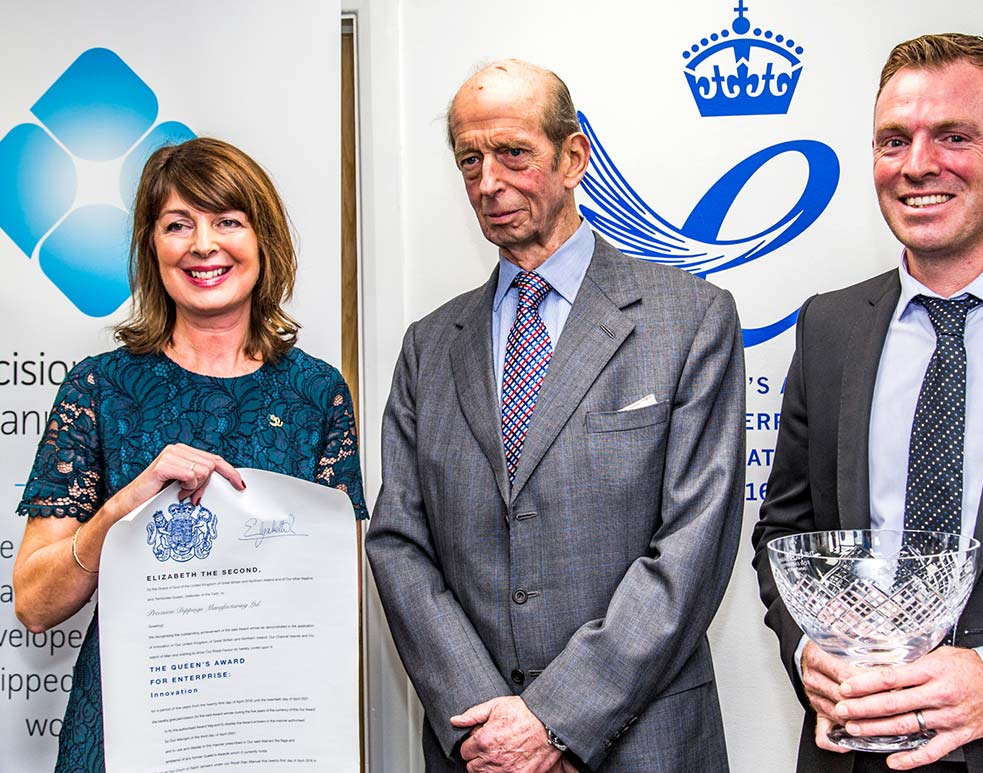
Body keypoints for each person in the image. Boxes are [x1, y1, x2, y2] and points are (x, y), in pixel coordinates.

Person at [365, 59, 745, 771]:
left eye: (512, 153)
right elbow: (399, 545)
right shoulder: (428, 346)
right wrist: (489, 721)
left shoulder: (690, 319)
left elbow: (693, 547)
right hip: (478, 752)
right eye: (469, 161)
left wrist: (556, 719)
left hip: (644, 744)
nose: (487, 183)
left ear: (574, 156)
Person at [752, 33, 983, 773]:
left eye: (954, 137)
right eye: (893, 139)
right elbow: (786, 532)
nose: (916, 166)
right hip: (856, 751)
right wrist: (812, 651)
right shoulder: (831, 325)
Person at [13, 137, 367, 773]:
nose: (204, 245)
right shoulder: (101, 388)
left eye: (228, 221)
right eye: (179, 225)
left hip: (274, 733)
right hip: (128, 733)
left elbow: (336, 595)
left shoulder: (318, 394)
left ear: (264, 241)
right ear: (154, 247)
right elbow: (36, 606)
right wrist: (128, 504)